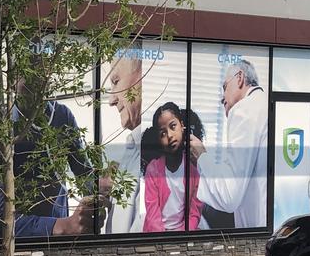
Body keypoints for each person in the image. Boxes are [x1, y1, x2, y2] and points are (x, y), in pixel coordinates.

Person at [190, 58, 268, 228]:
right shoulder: (267, 105)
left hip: (257, 230)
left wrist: (202, 156)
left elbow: (228, 196)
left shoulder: (244, 110)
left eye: (225, 87)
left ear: (239, 78)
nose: (222, 98)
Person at [12, 96, 101, 237]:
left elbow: (83, 170)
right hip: (22, 237)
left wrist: (94, 201)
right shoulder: (5, 123)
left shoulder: (61, 114)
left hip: (60, 230)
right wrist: (62, 226)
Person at [141, 102, 204, 232]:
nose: (169, 135)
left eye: (173, 126)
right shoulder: (153, 170)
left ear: (182, 126)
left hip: (183, 234)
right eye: (163, 133)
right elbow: (152, 215)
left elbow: (194, 213)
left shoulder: (194, 170)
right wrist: (165, 239)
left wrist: (181, 236)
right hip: (157, 235)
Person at [102, 54, 144, 234]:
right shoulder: (135, 147)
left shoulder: (159, 159)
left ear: (144, 76)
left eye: (116, 81)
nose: (111, 100)